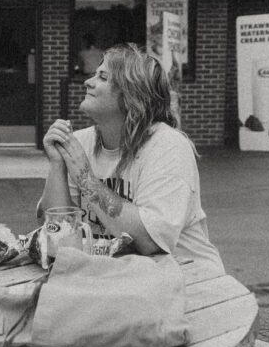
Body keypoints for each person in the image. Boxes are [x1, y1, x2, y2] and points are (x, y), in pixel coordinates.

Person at [39, 42, 223, 277]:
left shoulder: (167, 146)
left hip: (190, 279)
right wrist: (57, 164)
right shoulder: (80, 143)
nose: (88, 82)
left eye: (102, 77)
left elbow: (148, 241)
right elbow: (60, 234)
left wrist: (85, 177)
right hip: (120, 277)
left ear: (130, 96)